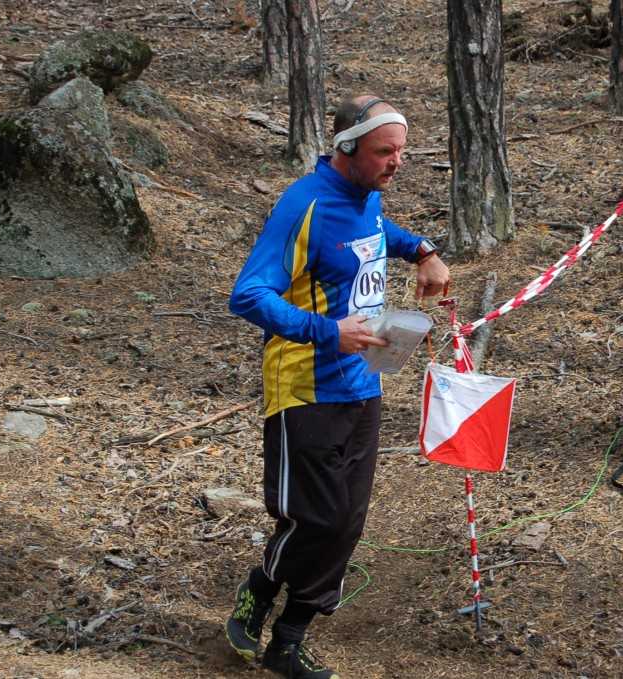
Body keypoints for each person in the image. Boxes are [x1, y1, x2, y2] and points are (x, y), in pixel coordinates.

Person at [224, 94, 450, 679]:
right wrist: (327, 331)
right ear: (347, 148)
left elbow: (377, 232)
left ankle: (290, 638)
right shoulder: (306, 204)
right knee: (315, 518)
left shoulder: (365, 195)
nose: (397, 162)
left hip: (362, 384)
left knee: (348, 520)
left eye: (401, 151)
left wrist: (422, 251)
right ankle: (258, 589)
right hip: (305, 386)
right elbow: (248, 294)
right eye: (385, 151)